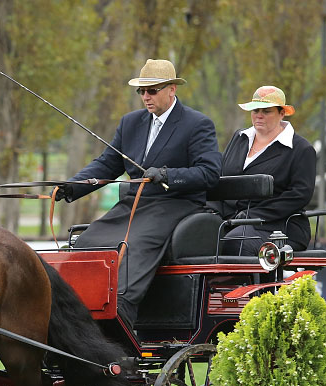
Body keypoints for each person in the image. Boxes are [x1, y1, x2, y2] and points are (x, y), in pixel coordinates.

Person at [55, 58, 220, 326]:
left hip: (176, 205)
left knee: (131, 248)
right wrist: (73, 186)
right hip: (134, 205)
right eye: (141, 91)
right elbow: (107, 163)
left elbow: (209, 173)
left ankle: (121, 317)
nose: (146, 96)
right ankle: (76, 313)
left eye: (152, 90)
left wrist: (168, 175)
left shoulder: (197, 124)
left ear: (171, 90)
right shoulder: (130, 123)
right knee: (86, 245)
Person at [216, 85, 316, 255]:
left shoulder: (301, 149)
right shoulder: (239, 138)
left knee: (236, 242)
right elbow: (221, 178)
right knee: (197, 233)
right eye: (255, 110)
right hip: (231, 220)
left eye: (266, 111)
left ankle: (240, 282)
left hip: (280, 225)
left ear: (281, 113)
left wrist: (252, 215)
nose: (259, 115)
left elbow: (299, 195)